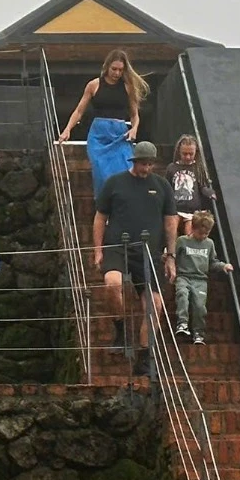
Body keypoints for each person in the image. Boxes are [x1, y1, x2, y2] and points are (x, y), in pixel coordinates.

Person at [93, 140, 172, 377]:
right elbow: (100, 217)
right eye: (142, 163)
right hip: (117, 246)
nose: (146, 168)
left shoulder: (162, 186)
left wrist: (171, 254)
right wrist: (98, 250)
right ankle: (120, 328)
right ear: (134, 161)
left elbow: (170, 220)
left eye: (149, 164)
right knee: (112, 284)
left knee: (155, 306)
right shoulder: (115, 183)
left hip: (149, 252)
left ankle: (145, 356)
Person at [56, 50, 149, 195]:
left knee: (126, 170)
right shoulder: (93, 85)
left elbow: (134, 115)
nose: (117, 73)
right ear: (107, 67)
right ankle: (104, 209)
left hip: (120, 134)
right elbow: (79, 111)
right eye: (114, 69)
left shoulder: (127, 87)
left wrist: (134, 128)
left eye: (120, 70)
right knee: (102, 175)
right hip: (99, 135)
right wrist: (67, 129)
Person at [171, 210, 233, 345]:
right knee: (182, 294)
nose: (204, 236)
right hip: (184, 276)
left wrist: (223, 266)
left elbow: (212, 261)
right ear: (193, 228)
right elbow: (173, 256)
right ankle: (182, 323)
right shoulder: (182, 241)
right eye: (201, 233)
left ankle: (198, 332)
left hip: (200, 279)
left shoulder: (209, 244)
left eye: (207, 233)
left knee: (199, 305)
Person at [163, 135, 216, 250]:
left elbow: (202, 186)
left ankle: (189, 256)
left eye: (191, 154)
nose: (188, 157)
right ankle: (171, 252)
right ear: (179, 152)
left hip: (192, 210)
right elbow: (166, 187)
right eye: (184, 154)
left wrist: (210, 192)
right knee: (172, 228)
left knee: (190, 233)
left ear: (195, 153)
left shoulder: (198, 168)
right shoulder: (172, 168)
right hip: (175, 209)